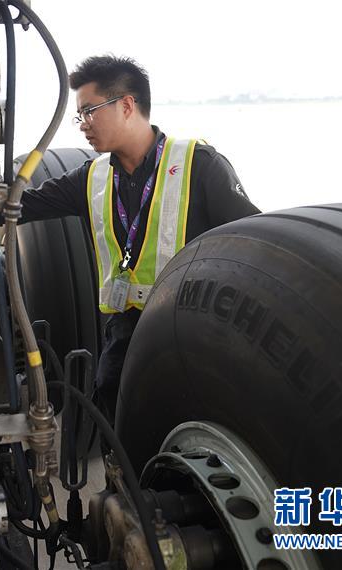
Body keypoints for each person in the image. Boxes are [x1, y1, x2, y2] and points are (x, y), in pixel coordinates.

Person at [17, 55, 260, 421]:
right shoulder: (91, 177)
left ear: (127, 105)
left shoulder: (199, 164)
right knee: (116, 417)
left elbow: (252, 241)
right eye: (79, 115)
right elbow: (17, 205)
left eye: (89, 111)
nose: (82, 124)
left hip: (192, 330)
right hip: (124, 333)